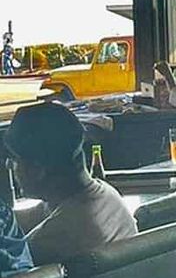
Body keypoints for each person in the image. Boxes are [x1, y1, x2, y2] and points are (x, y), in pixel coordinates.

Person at [6, 101, 137, 265]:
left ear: (37, 170)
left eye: (14, 160)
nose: (9, 165)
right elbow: (33, 215)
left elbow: (11, 266)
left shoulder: (59, 234)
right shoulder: (105, 195)